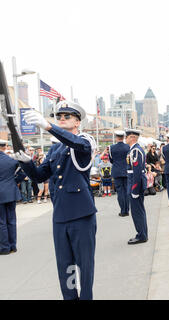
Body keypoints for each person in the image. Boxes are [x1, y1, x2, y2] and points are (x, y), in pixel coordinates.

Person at [12, 101, 97, 300]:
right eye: (59, 117)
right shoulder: (55, 150)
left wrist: (49, 126)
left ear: (77, 121)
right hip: (60, 215)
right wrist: (26, 162)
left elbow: (76, 144)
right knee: (65, 265)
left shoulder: (85, 140)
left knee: (85, 266)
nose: (61, 119)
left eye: (67, 117)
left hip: (81, 214)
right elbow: (40, 176)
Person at [0, 140, 25, 255]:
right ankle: (13, 246)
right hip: (11, 192)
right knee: (11, 220)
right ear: (4, 147)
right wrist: (13, 182)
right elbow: (23, 173)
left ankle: (4, 247)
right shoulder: (11, 160)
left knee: (1, 222)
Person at [125, 129, 148, 245]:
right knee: (139, 210)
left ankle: (141, 235)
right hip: (134, 182)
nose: (125, 139)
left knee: (137, 211)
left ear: (132, 138)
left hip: (135, 184)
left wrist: (134, 189)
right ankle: (142, 233)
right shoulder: (134, 150)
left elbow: (137, 172)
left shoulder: (135, 151)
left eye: (127, 137)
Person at [109, 130, 130, 217]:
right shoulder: (128, 147)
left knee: (120, 192)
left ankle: (123, 210)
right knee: (126, 191)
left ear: (116, 137)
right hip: (126, 171)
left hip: (117, 171)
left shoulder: (111, 147)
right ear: (123, 137)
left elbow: (111, 160)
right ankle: (127, 210)